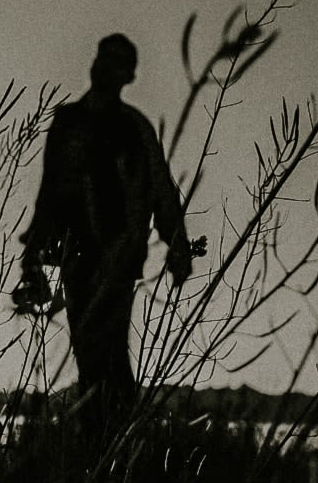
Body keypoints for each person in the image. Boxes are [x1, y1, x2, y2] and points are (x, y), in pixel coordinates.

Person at [14, 34, 193, 424]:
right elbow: (50, 192)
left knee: (108, 354)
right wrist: (33, 255)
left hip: (118, 258)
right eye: (105, 58)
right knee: (89, 354)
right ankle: (102, 443)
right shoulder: (68, 124)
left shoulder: (134, 129)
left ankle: (114, 442)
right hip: (74, 257)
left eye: (118, 62)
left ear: (128, 75)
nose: (107, 67)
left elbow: (160, 187)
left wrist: (177, 244)